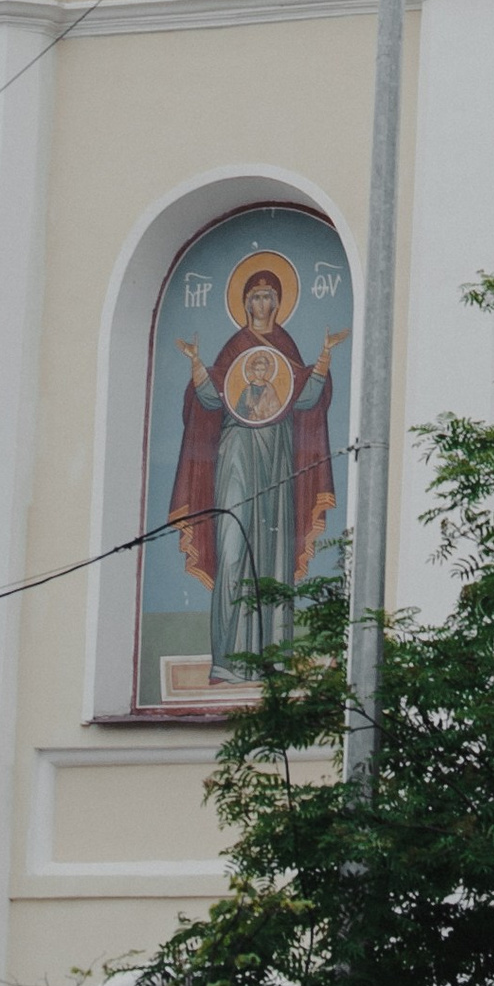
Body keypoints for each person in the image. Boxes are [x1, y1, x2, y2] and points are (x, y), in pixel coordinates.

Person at [169, 265, 344, 677]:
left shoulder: (286, 346)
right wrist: (196, 365)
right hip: (235, 456)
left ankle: (273, 659)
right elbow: (211, 401)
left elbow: (304, 401)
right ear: (244, 304)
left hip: (277, 458)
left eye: (268, 296)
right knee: (233, 546)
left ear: (279, 303)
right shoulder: (234, 349)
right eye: (254, 297)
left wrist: (322, 360)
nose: (261, 303)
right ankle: (227, 660)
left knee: (276, 551)